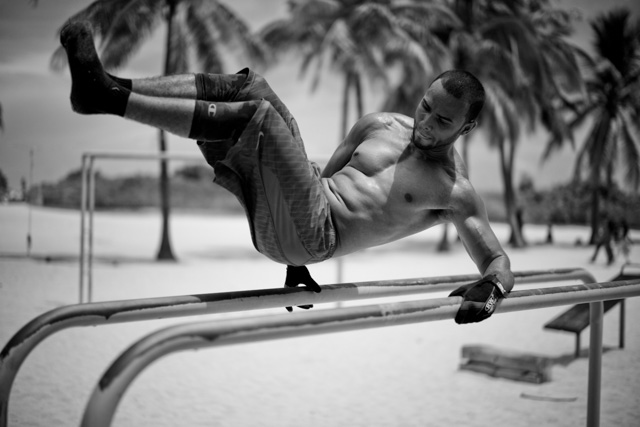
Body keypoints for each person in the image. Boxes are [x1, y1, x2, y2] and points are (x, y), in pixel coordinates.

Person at [60, 21, 514, 323]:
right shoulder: (379, 124)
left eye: (443, 121)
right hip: (298, 214)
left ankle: (108, 99)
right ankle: (108, 88)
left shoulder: (454, 192)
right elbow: (323, 180)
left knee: (258, 114)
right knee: (249, 86)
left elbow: (498, 263)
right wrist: (294, 270)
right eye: (426, 106)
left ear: (468, 128)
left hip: (318, 236)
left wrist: (491, 293)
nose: (427, 122)